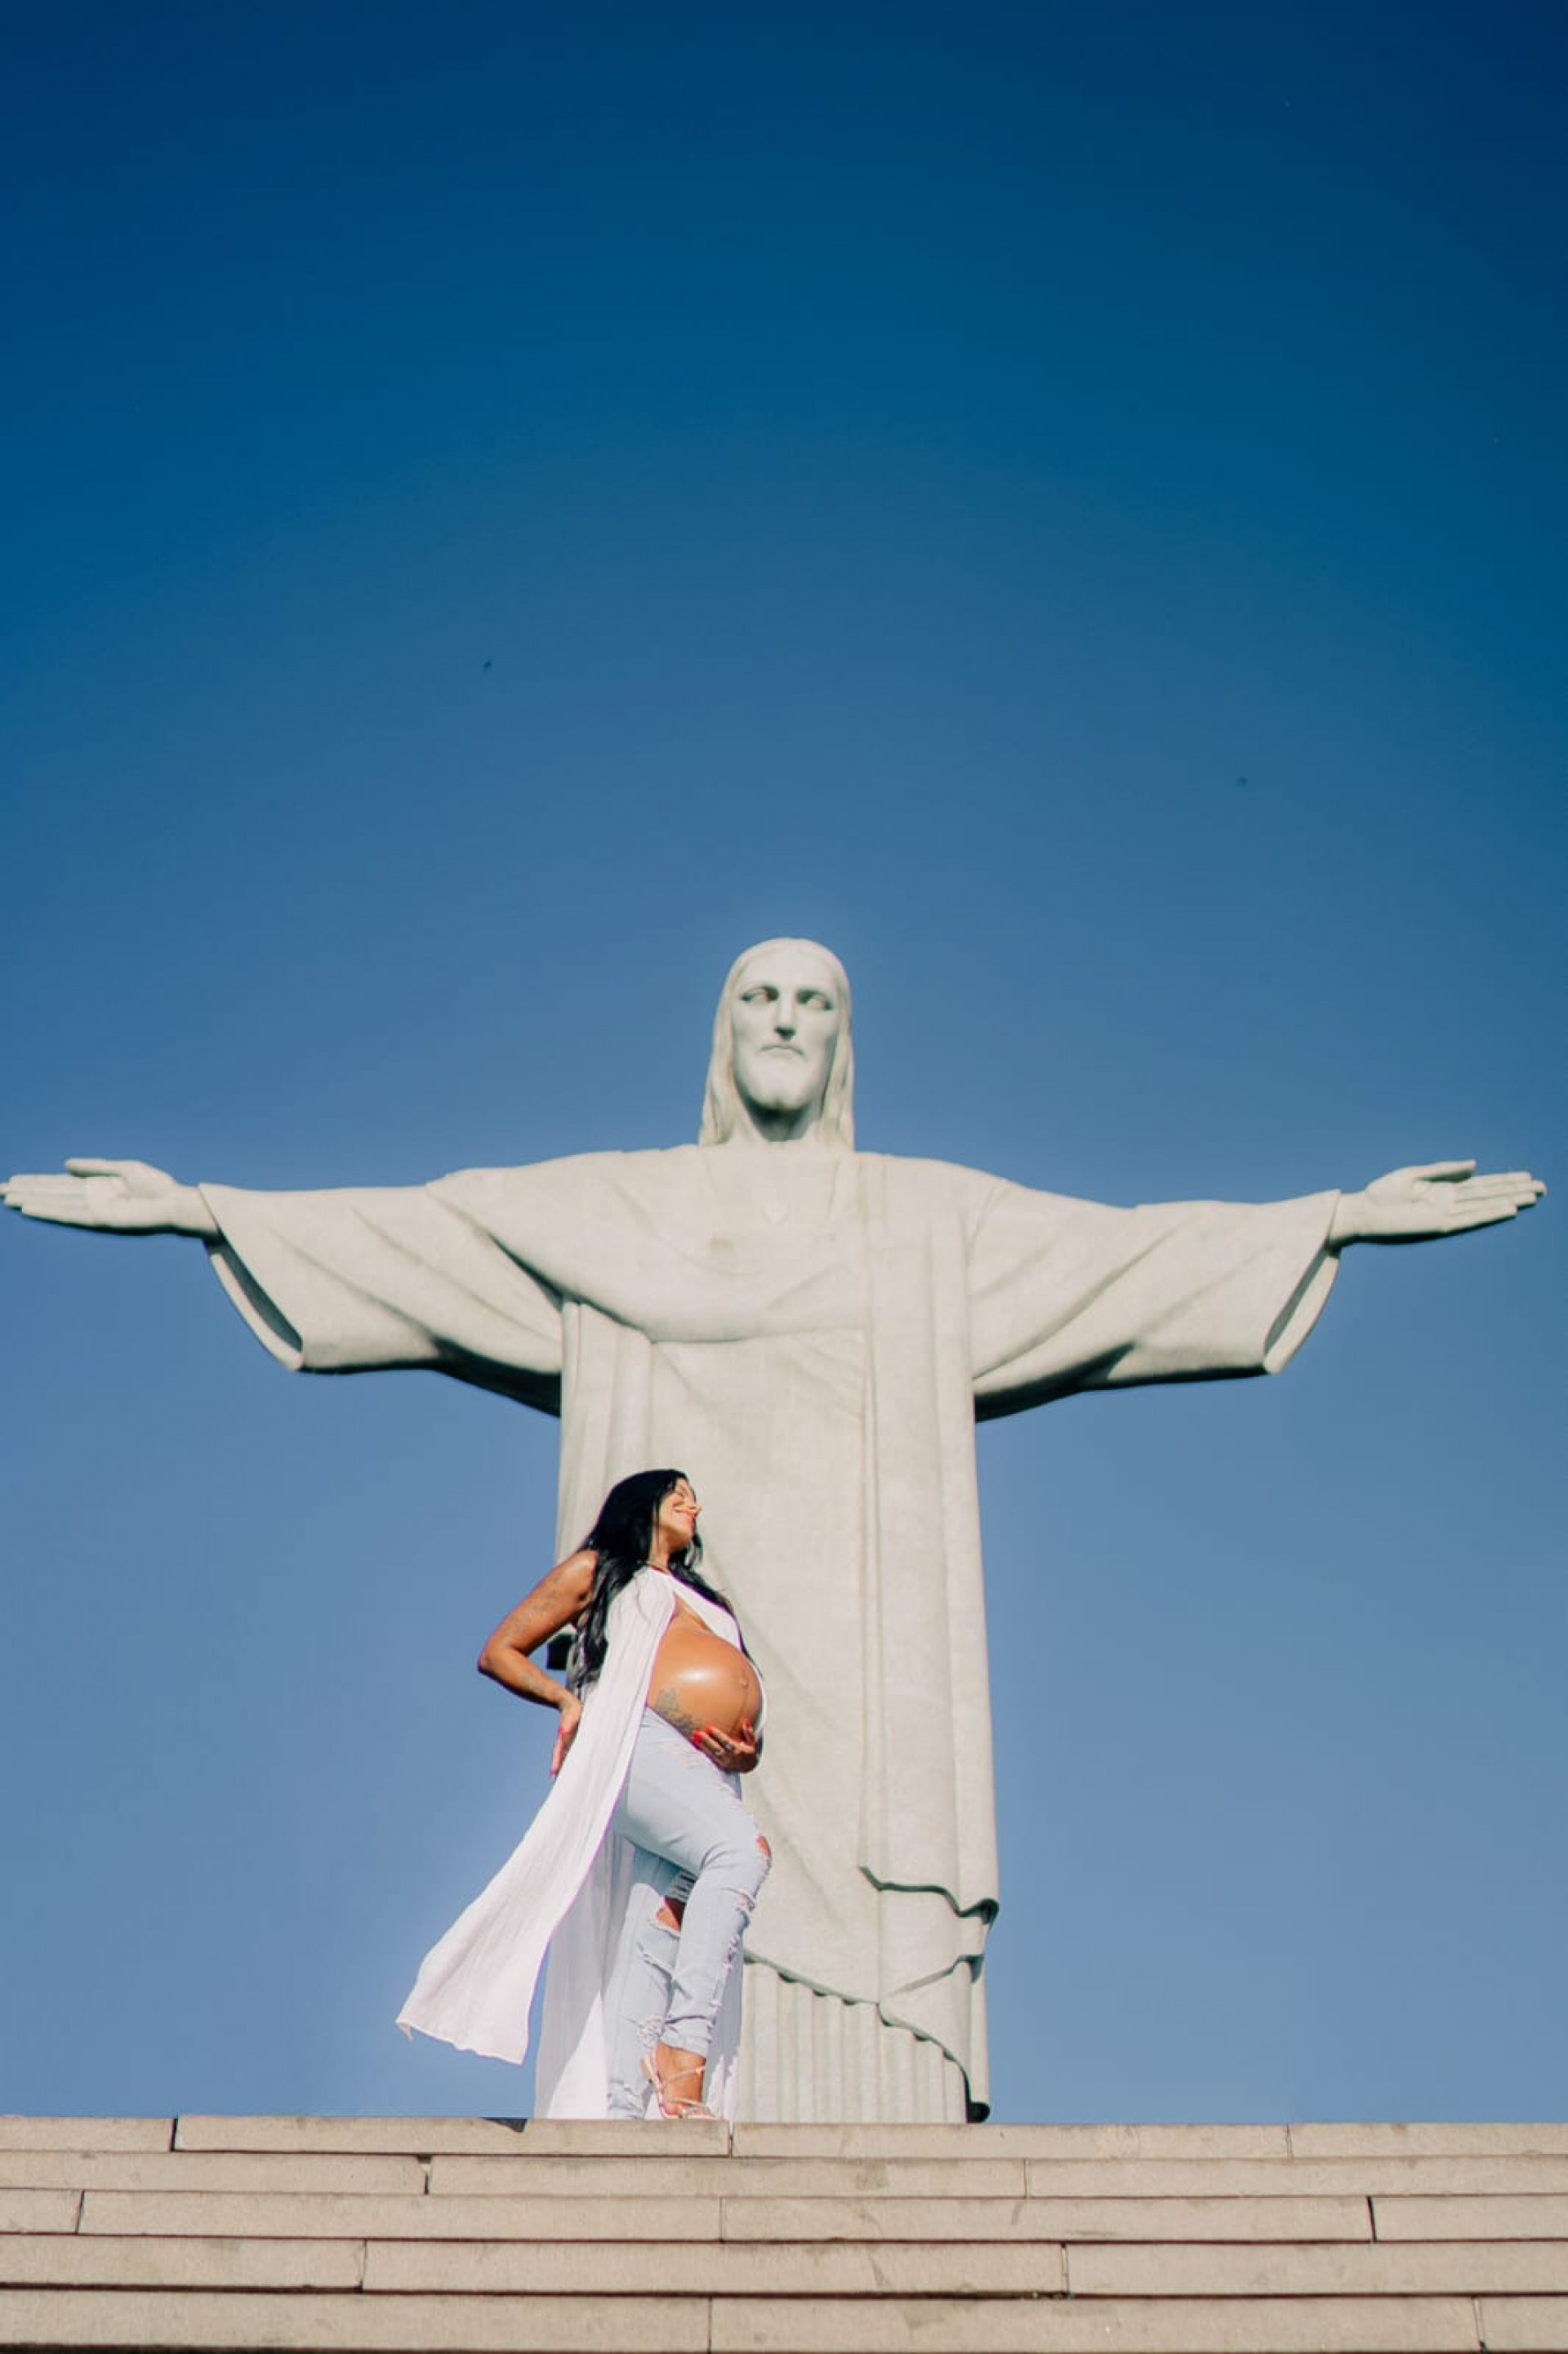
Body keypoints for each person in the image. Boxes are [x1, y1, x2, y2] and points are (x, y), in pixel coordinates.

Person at [2, 938, 1544, 2120]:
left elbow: (1121, 1265)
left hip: (873, 1652)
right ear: (721, 1037)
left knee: (845, 1864)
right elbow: (428, 1231)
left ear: (847, 1037)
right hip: (675, 1656)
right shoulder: (616, 1212)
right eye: (760, 1001)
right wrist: (211, 1210)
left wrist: (1327, 1220)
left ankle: (836, 2111)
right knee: (698, 1860)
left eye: (815, 1002)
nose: (789, 1025)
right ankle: (662, 2097)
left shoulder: (924, 1223)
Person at [397, 1467, 769, 2120]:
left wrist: (750, 1749)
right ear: (640, 1502)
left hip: (701, 1766)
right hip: (633, 1743)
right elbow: (502, 1649)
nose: (692, 1503)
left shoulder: (704, 1599)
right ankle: (685, 2051)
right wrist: (565, 1700)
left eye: (695, 1498)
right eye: (676, 1492)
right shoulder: (600, 1572)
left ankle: (625, 2106)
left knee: (662, 1913)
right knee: (742, 1851)